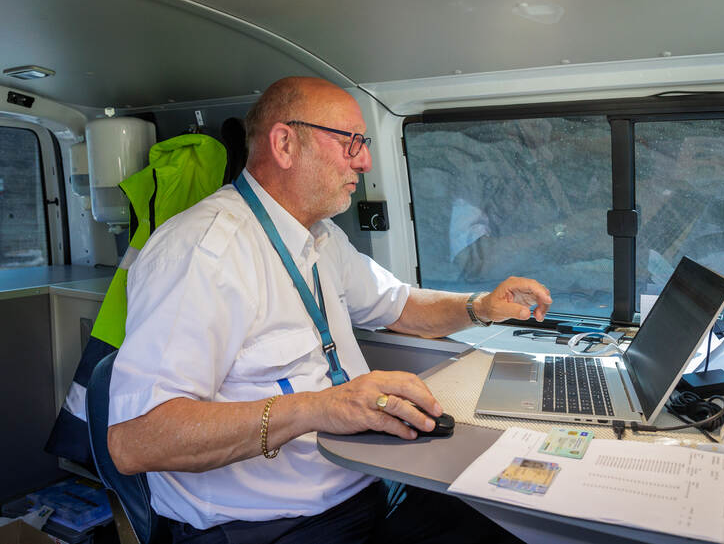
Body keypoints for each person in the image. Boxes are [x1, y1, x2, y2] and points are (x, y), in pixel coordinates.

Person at [107, 76, 552, 543]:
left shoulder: (321, 237)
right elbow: (137, 440)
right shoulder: (200, 253)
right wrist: (316, 409)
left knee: (512, 524)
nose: (365, 160)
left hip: (367, 489)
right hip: (274, 527)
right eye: (351, 142)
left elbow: (399, 306)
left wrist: (481, 306)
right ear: (285, 143)